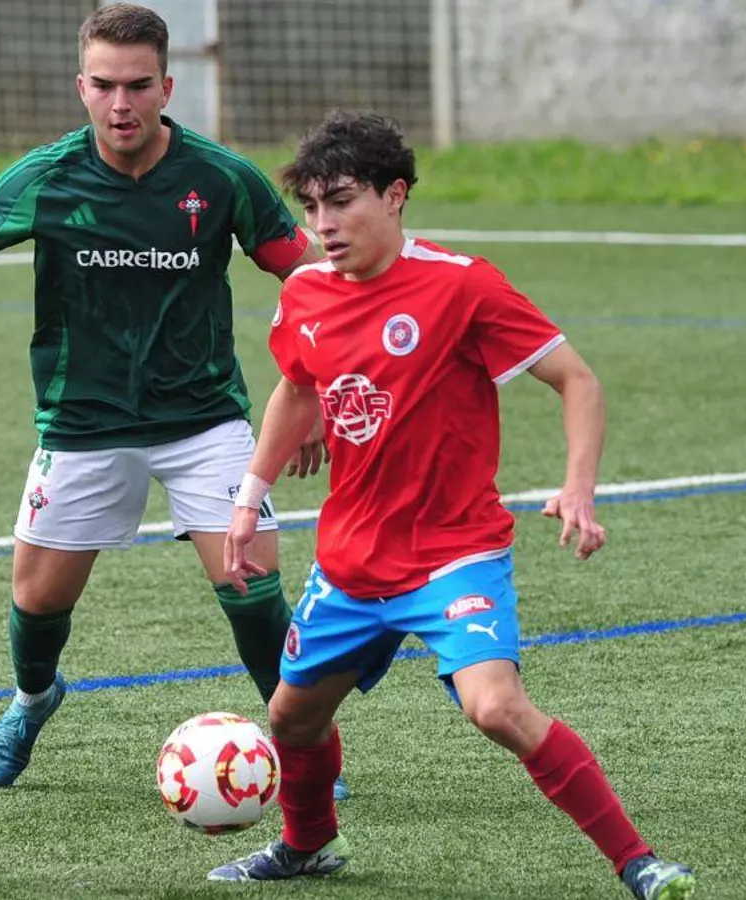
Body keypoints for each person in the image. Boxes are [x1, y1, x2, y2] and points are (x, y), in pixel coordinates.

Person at [209, 111, 696, 900]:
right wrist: (249, 499)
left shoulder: (461, 285)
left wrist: (577, 486)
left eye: (342, 201)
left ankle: (639, 862)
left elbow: (577, 380)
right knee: (291, 717)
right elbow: (297, 388)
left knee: (496, 708)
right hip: (352, 560)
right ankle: (308, 845)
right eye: (312, 206)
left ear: (395, 195)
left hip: (453, 555)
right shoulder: (303, 292)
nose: (323, 224)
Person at [0, 2, 343, 797]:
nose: (122, 104)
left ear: (166, 87)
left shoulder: (221, 177)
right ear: (81, 86)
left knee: (251, 585)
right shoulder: (45, 177)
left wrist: (313, 388)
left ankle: (302, 739)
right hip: (82, 425)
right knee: (37, 601)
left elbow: (310, 277)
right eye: (104, 85)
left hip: (204, 420)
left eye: (139, 85)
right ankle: (33, 699)